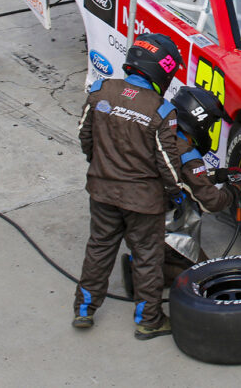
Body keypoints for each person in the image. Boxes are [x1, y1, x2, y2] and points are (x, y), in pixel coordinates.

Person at [72, 33, 184, 341]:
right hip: (143, 202)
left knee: (99, 248)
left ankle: (84, 310)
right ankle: (149, 320)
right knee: (148, 258)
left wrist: (102, 167)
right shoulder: (161, 111)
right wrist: (178, 194)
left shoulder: (100, 91)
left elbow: (85, 137)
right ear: (162, 70)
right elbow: (168, 164)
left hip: (102, 191)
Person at [121, 86, 241, 294]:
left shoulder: (161, 133)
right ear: (199, 120)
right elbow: (213, 201)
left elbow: (179, 177)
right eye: (210, 124)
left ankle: (143, 260)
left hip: (128, 211)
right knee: (205, 276)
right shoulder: (187, 152)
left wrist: (218, 175)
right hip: (155, 224)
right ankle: (141, 272)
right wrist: (234, 191)